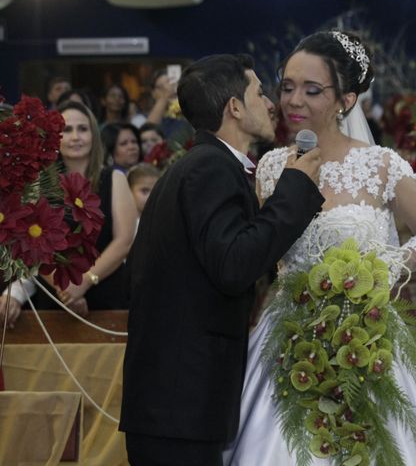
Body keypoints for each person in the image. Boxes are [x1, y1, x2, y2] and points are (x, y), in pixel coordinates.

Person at [223, 31, 416, 465]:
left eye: (311, 90)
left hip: (369, 331)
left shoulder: (380, 165)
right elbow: (258, 249)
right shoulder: (270, 167)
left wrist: (383, 269)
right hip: (289, 337)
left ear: (346, 100)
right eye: (287, 87)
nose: (294, 101)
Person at [119, 53, 325, 466]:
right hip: (181, 405)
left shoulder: (197, 166)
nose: (272, 104)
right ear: (234, 107)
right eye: (259, 92)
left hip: (174, 406)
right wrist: (295, 190)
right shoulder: (211, 169)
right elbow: (234, 265)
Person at [1, 101, 138, 318]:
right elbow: (29, 244)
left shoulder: (114, 178)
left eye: (82, 129)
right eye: (67, 129)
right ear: (56, 136)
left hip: (106, 294)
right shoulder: (38, 183)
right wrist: (65, 288)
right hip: (55, 296)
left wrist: (84, 281)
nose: (75, 137)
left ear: (94, 134)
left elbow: (124, 241)